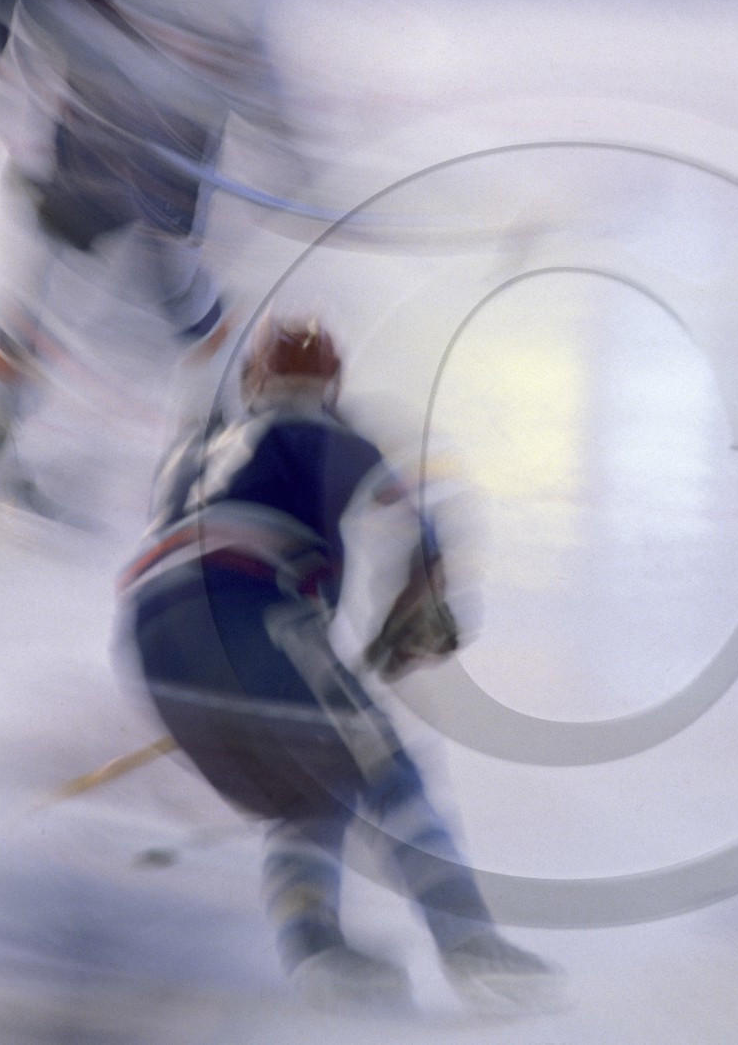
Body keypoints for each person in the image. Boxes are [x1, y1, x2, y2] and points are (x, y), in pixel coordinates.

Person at [116, 316, 565, 1014]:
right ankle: (469, 941)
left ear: (252, 382)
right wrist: (411, 623)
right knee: (386, 768)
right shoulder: (330, 437)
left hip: (149, 641)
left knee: (309, 784)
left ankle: (317, 949)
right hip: (253, 617)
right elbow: (425, 541)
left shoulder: (193, 448)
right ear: (332, 386)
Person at [0, 0, 299, 512]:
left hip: (134, 125)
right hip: (120, 124)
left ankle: (207, 433)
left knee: (145, 279)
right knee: (141, 278)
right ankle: (3, 425)